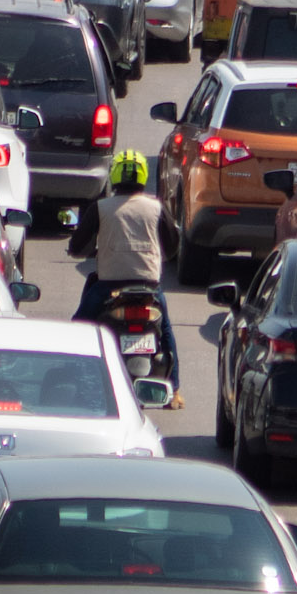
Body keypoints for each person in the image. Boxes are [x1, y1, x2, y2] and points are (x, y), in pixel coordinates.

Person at [71, 152, 181, 407]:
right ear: (143, 175)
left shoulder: (101, 207)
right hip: (150, 288)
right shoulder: (157, 207)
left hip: (108, 287)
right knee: (165, 331)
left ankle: (78, 381)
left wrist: (87, 249)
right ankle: (174, 390)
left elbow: (78, 246)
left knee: (80, 326)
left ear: (115, 175)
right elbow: (173, 246)